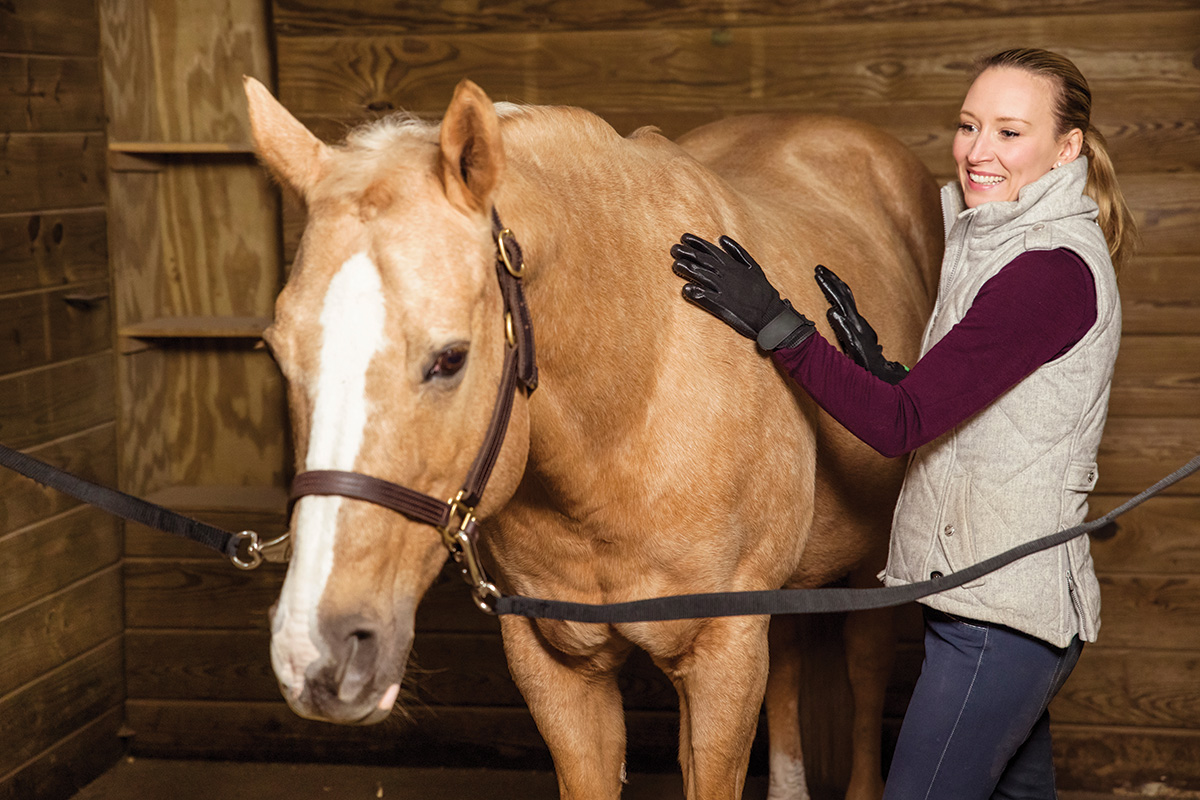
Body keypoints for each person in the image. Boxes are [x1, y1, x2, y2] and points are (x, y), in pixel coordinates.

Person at [670, 48, 1136, 799]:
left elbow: (897, 428)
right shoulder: (1000, 241)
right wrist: (887, 372)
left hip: (1001, 622)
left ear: (1068, 147)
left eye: (1010, 133)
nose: (978, 151)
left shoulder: (1048, 268)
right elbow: (973, 413)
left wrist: (777, 324)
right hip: (989, 610)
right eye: (967, 125)